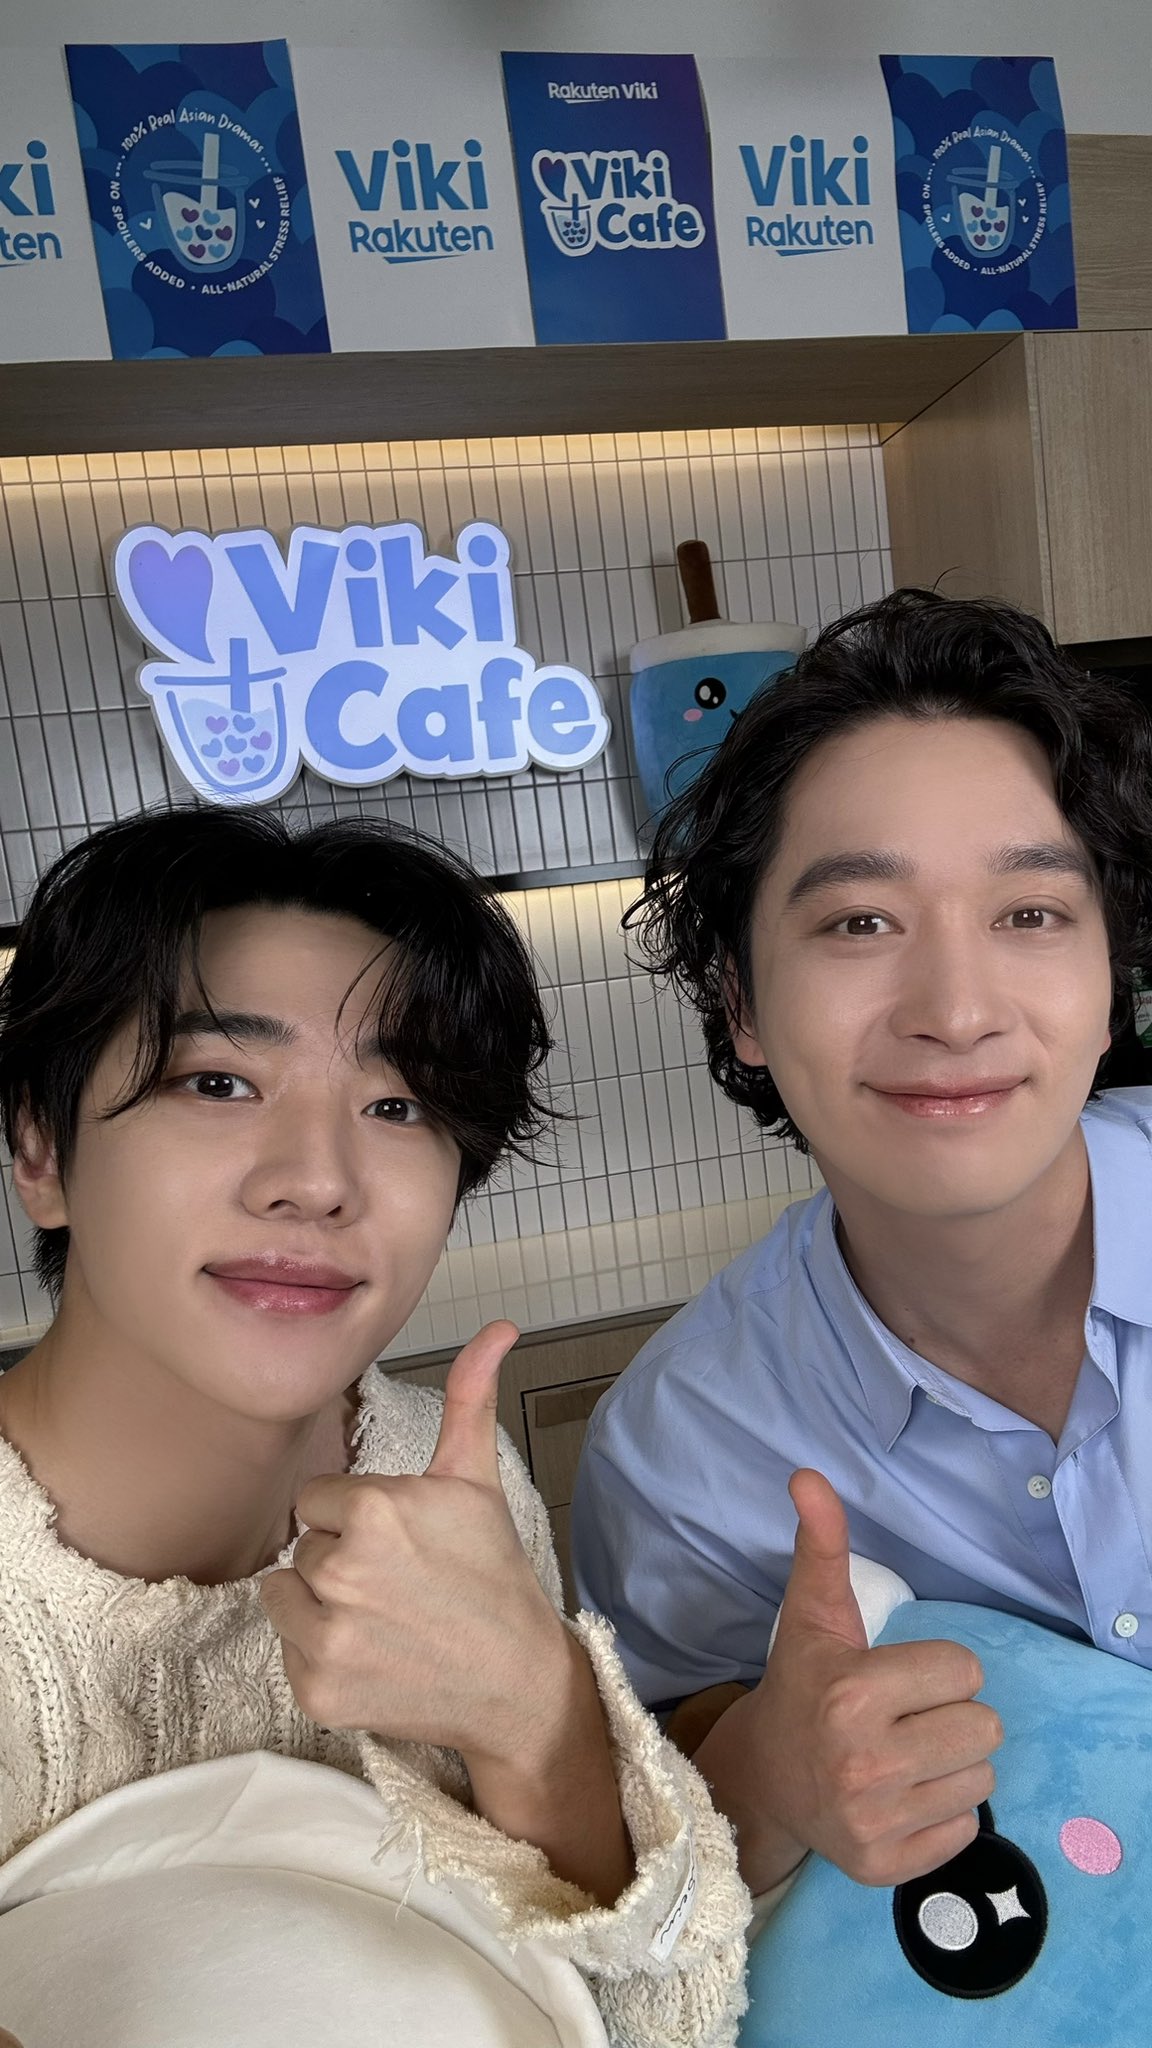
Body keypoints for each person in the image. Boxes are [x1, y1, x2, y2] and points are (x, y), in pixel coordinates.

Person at [0, 808, 749, 2047]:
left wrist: (542, 1722)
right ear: (40, 1147)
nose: (317, 1178)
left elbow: (638, 2008)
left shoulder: (435, 1472)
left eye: (398, 1105)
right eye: (218, 1082)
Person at [571, 587, 1152, 1902]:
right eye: (858, 923)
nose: (955, 1008)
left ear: (1111, 979)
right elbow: (660, 1848)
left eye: (1030, 914)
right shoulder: (682, 1457)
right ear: (740, 1002)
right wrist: (764, 1778)